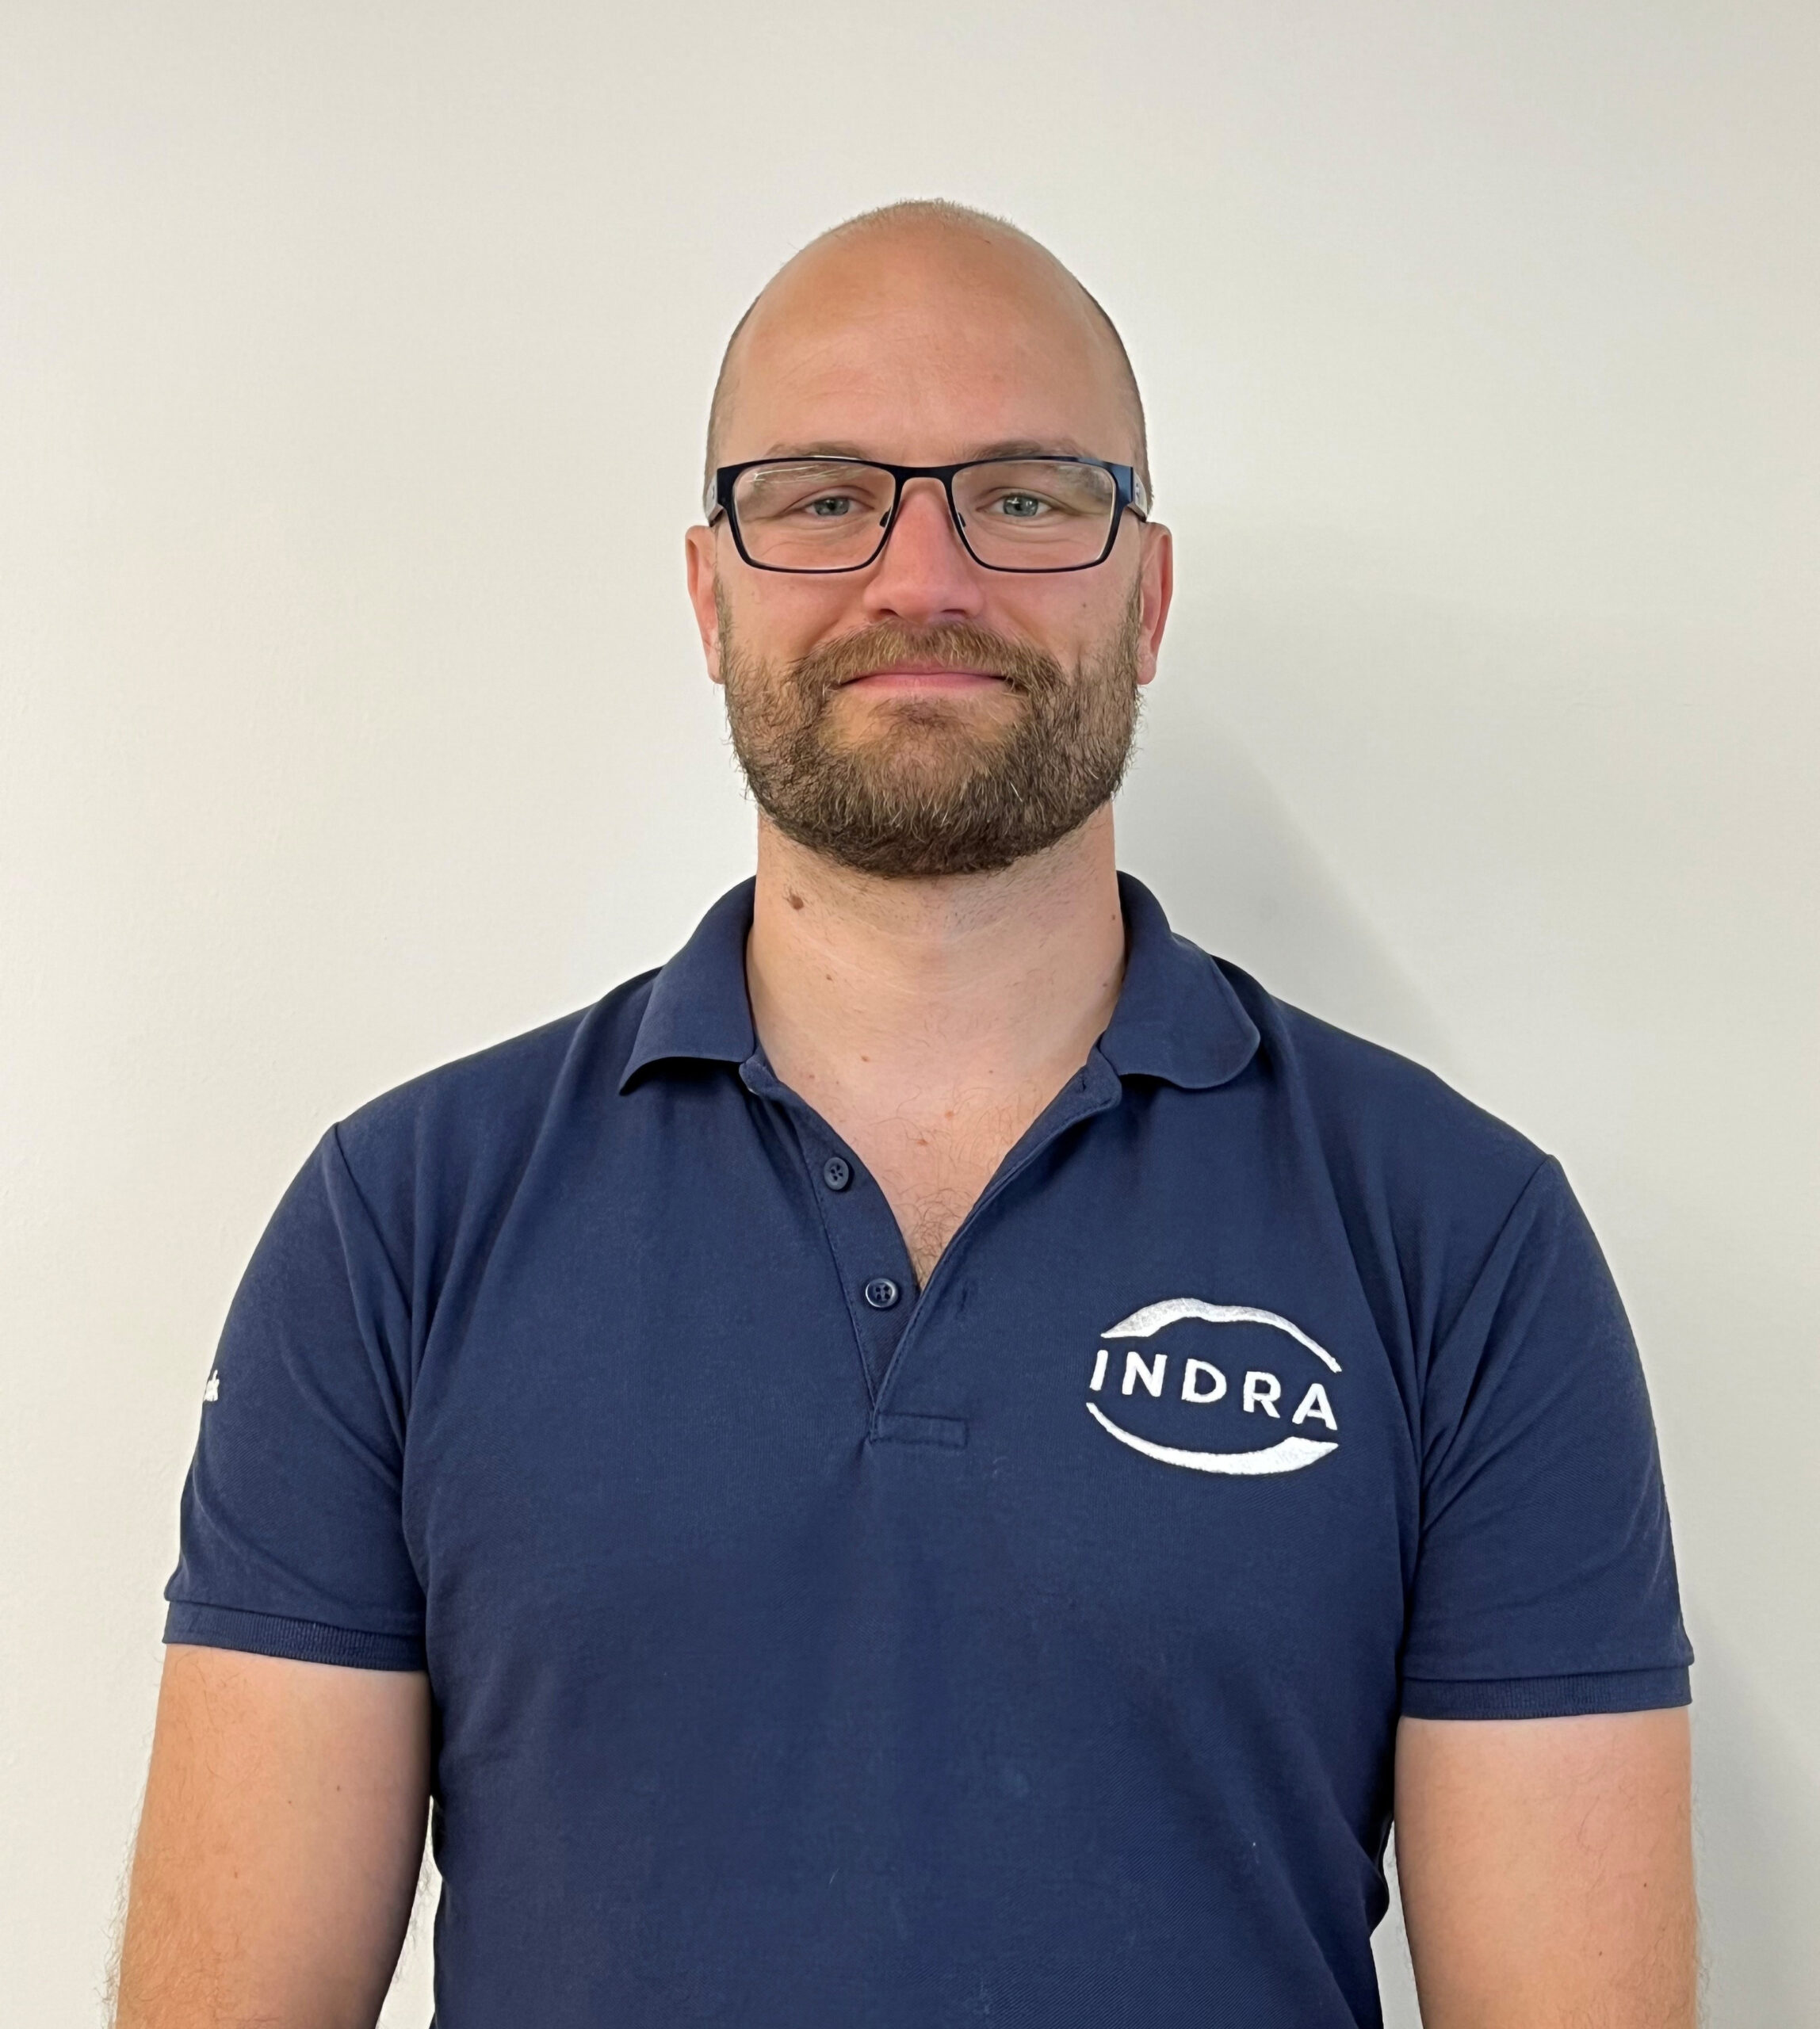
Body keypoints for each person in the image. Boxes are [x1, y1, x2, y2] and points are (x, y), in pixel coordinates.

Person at [114, 201, 1696, 2028]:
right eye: (817, 495)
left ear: (1148, 595)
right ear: (708, 594)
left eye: (1025, 495)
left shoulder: (1456, 1240)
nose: (921, 577)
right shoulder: (398, 1226)